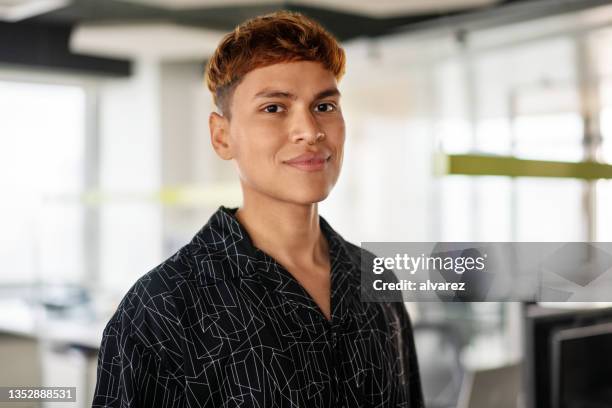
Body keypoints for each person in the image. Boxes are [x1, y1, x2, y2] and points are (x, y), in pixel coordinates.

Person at [92, 10, 424, 408]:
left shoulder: (375, 280)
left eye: (324, 107)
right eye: (274, 108)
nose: (310, 131)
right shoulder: (161, 310)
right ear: (221, 136)